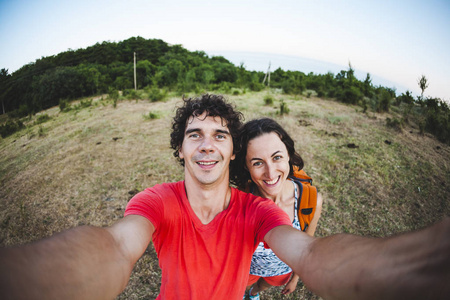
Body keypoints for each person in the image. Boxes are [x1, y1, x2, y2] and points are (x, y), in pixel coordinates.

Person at [0, 94, 449, 300]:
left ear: (231, 150)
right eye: (194, 134)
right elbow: (116, 247)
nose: (207, 144)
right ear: (181, 149)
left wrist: (418, 263)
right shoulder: (156, 201)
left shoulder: (257, 209)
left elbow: (309, 254)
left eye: (219, 135)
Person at [231, 118, 323, 299]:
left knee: (260, 287)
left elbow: (306, 247)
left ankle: (254, 293)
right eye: (257, 162)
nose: (271, 173)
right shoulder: (237, 201)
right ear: (246, 165)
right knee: (238, 289)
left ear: (288, 154)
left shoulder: (311, 201)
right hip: (245, 271)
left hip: (281, 272)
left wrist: (295, 277)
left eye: (277, 157)